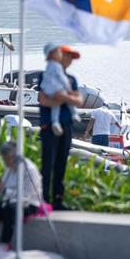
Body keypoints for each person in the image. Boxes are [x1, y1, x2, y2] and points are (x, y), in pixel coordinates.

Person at [37, 43, 84, 210]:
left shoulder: (71, 79)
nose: (70, 60)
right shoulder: (46, 75)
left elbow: (79, 101)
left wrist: (62, 97)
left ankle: (58, 200)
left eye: (72, 58)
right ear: (59, 55)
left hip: (67, 125)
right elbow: (43, 100)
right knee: (48, 163)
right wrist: (66, 97)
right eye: (68, 56)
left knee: (61, 163)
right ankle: (44, 200)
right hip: (49, 125)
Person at [0, 142, 42, 253]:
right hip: (9, 202)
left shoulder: (29, 169)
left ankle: (4, 244)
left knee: (10, 209)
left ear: (13, 157)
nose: (4, 162)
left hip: (29, 205)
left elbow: (26, 195)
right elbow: (6, 189)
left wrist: (5, 190)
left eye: (5, 159)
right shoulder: (9, 168)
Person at [41, 43, 81, 136]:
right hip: (58, 89)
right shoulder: (57, 66)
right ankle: (74, 114)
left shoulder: (48, 67)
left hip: (49, 89)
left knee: (56, 106)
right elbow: (62, 78)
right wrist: (69, 88)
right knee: (67, 100)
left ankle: (55, 122)